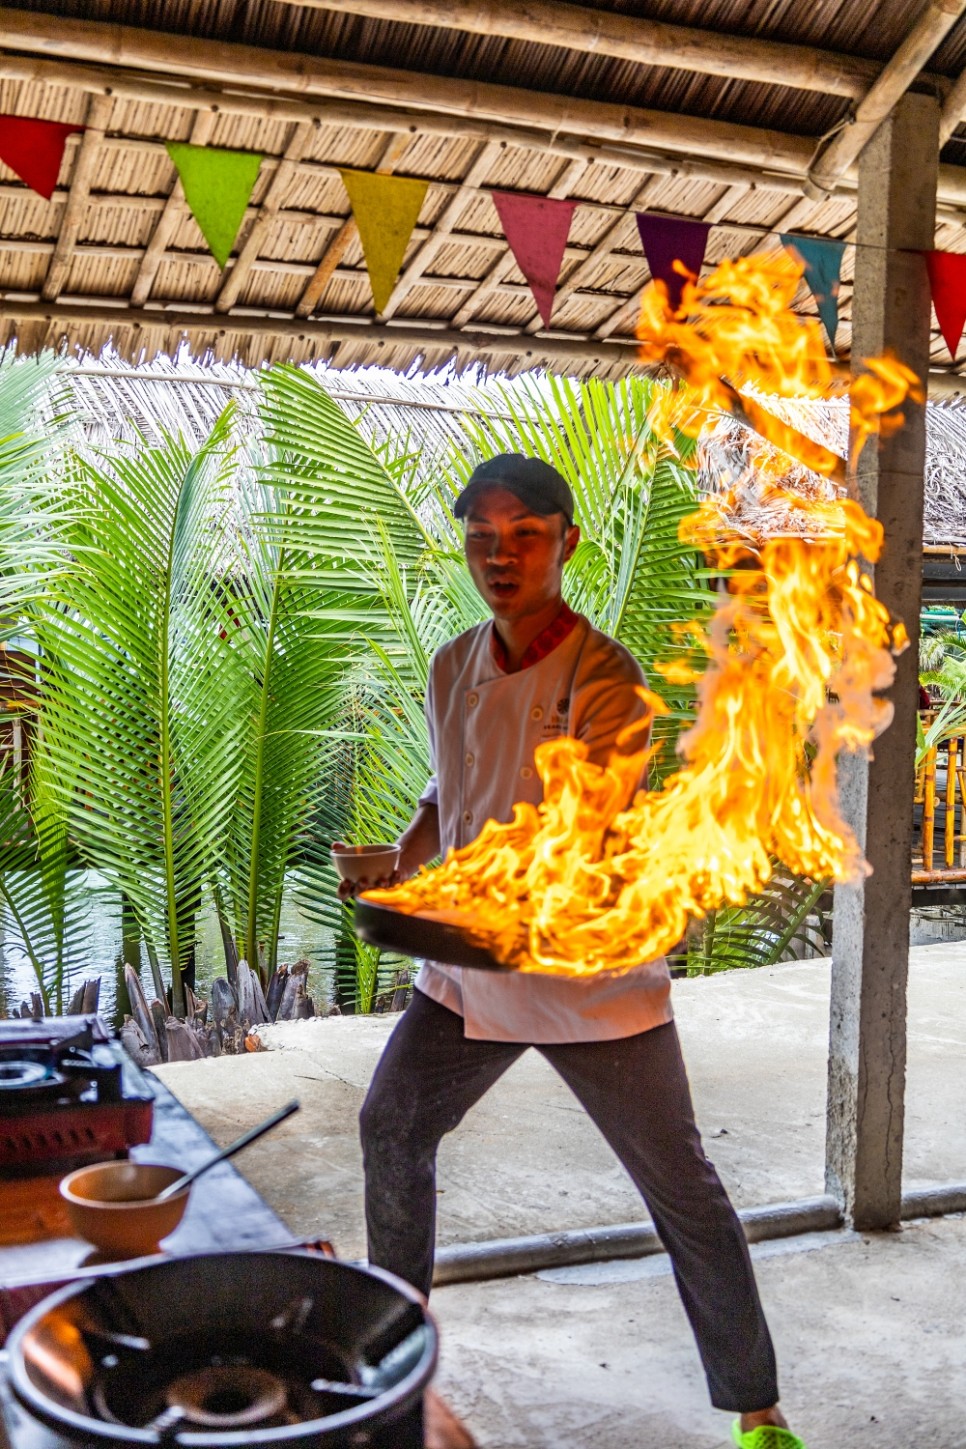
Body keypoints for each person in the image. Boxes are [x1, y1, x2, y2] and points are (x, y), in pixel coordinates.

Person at [356, 453, 808, 1449]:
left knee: (679, 1187)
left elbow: (580, 837)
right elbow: (449, 796)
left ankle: (758, 1408)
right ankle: (393, 1367)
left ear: (567, 542)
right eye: (482, 537)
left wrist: (460, 896)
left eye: (524, 536)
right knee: (391, 1127)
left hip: (587, 980)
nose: (500, 556)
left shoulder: (608, 678)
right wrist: (402, 865)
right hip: (470, 969)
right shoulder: (451, 664)